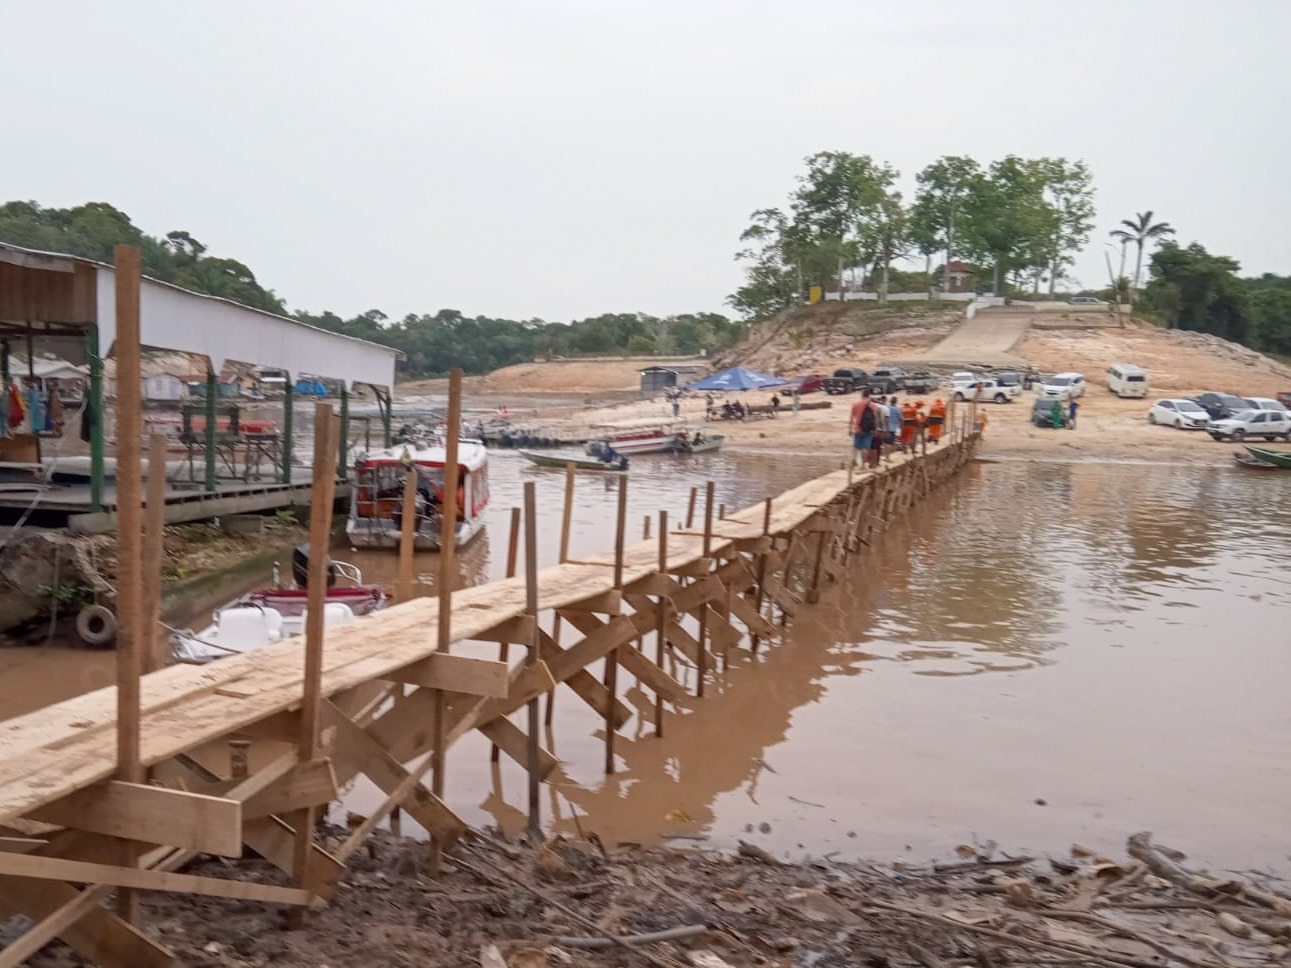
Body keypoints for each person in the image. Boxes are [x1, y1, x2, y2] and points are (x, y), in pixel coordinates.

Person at [849, 388, 878, 467]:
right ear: (869, 395)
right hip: (868, 430)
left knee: (855, 446)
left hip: (858, 429)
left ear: (862, 395)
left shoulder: (855, 405)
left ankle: (854, 460)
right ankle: (862, 465)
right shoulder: (873, 405)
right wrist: (875, 429)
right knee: (865, 447)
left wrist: (850, 429)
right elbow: (875, 419)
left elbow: (852, 418)